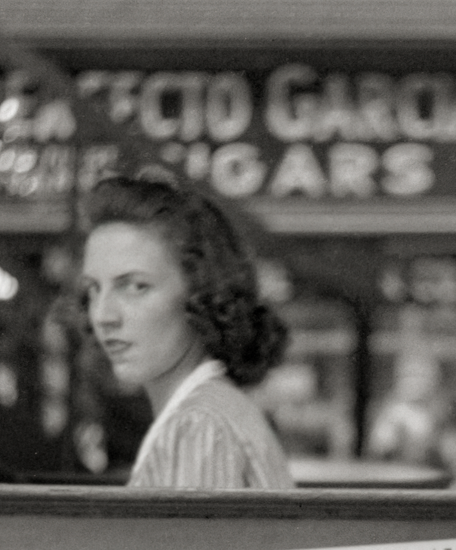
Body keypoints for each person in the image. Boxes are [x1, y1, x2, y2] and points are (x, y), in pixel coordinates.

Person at [79, 175, 294, 489]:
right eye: (94, 289)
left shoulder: (199, 426)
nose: (102, 315)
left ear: (202, 295)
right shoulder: (211, 411)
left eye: (136, 287)